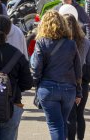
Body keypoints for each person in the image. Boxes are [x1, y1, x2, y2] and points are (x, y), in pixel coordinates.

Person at [30, 10, 82, 140]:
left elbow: (36, 69)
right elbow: (78, 69)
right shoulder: (71, 44)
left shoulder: (41, 43)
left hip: (48, 88)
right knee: (62, 123)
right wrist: (79, 92)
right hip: (69, 89)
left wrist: (36, 85)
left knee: (55, 125)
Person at [63, 13, 90, 140]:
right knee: (80, 115)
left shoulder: (63, 42)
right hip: (83, 82)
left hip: (67, 81)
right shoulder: (85, 41)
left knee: (70, 116)